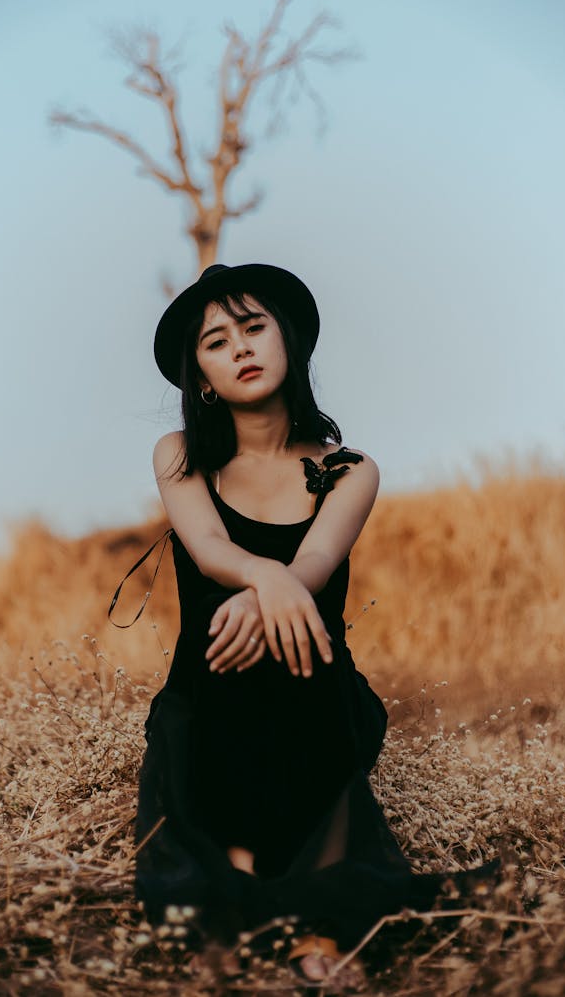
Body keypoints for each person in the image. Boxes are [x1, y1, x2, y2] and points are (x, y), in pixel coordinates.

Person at [123, 262, 497, 983]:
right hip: (206, 699)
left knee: (291, 644)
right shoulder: (181, 457)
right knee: (230, 643)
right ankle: (247, 889)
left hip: (317, 694)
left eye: (255, 326)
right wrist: (262, 575)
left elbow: (318, 560)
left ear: (288, 342)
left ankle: (281, 912)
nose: (240, 347)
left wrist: (270, 588)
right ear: (200, 376)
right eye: (216, 341)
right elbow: (208, 548)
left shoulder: (349, 468)